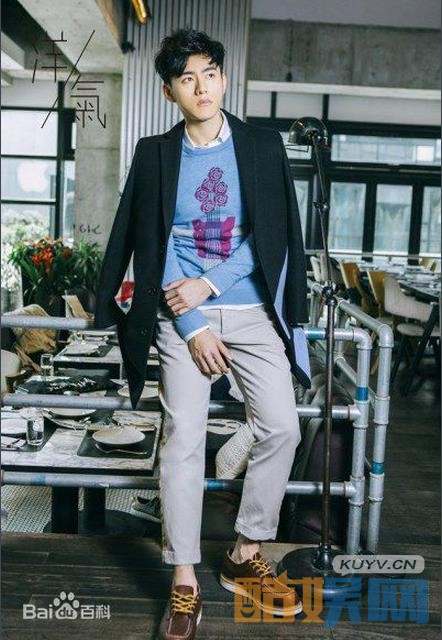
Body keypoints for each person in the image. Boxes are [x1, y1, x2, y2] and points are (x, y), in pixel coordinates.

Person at [94, 27, 311, 640]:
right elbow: (151, 243)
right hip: (178, 316)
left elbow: (271, 238)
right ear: (171, 91)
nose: (202, 87)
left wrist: (210, 285)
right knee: (183, 439)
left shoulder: (262, 146)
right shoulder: (155, 154)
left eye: (210, 74)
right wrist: (190, 323)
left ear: (223, 78)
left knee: (283, 427)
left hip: (251, 311)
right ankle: (185, 578)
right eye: (187, 78)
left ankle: (245, 552)